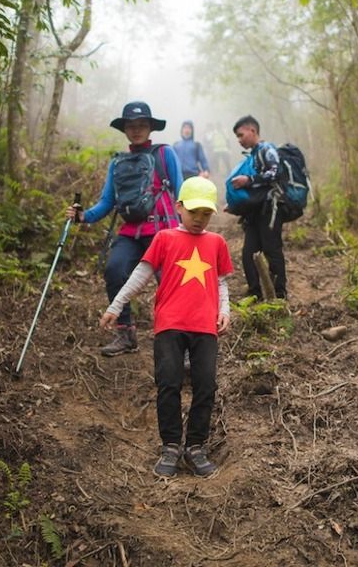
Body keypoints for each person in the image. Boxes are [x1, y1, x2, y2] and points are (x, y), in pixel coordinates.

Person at [100, 177, 233, 478]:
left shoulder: (216, 243)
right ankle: (171, 446)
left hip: (205, 327)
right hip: (170, 324)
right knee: (169, 384)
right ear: (179, 207)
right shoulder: (164, 238)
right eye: (194, 212)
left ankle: (196, 447)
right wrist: (115, 306)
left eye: (206, 214)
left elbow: (221, 282)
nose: (199, 219)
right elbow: (140, 275)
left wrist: (225, 310)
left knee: (206, 386)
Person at [67, 101, 183, 357]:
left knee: (171, 284)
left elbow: (181, 190)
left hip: (164, 231)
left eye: (142, 125)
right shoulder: (118, 163)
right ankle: (126, 333)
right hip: (132, 232)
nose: (137, 130)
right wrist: (82, 216)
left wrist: (186, 229)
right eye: (131, 125)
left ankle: (180, 341)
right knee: (115, 269)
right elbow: (108, 202)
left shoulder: (165, 154)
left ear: (151, 127)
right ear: (125, 130)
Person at [229, 115, 287, 300]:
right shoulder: (252, 155)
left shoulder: (266, 149)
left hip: (271, 209)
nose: (239, 140)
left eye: (241, 135)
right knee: (248, 253)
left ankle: (279, 295)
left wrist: (249, 180)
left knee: (272, 250)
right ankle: (255, 293)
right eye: (237, 137)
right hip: (254, 212)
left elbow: (275, 172)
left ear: (252, 131)